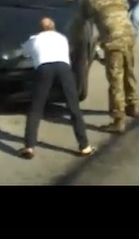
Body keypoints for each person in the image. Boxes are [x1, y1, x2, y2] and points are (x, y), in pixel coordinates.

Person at [17, 17, 94, 159]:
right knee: (73, 106)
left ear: (39, 28)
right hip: (63, 68)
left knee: (36, 108)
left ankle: (29, 147)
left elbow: (23, 52)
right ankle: (84, 146)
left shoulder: (34, 39)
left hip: (44, 68)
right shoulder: (62, 38)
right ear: (54, 27)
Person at [81, 0, 139, 131]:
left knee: (115, 80)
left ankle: (118, 120)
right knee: (129, 72)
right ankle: (133, 105)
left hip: (113, 42)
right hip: (129, 36)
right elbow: (125, 8)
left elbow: (82, 18)